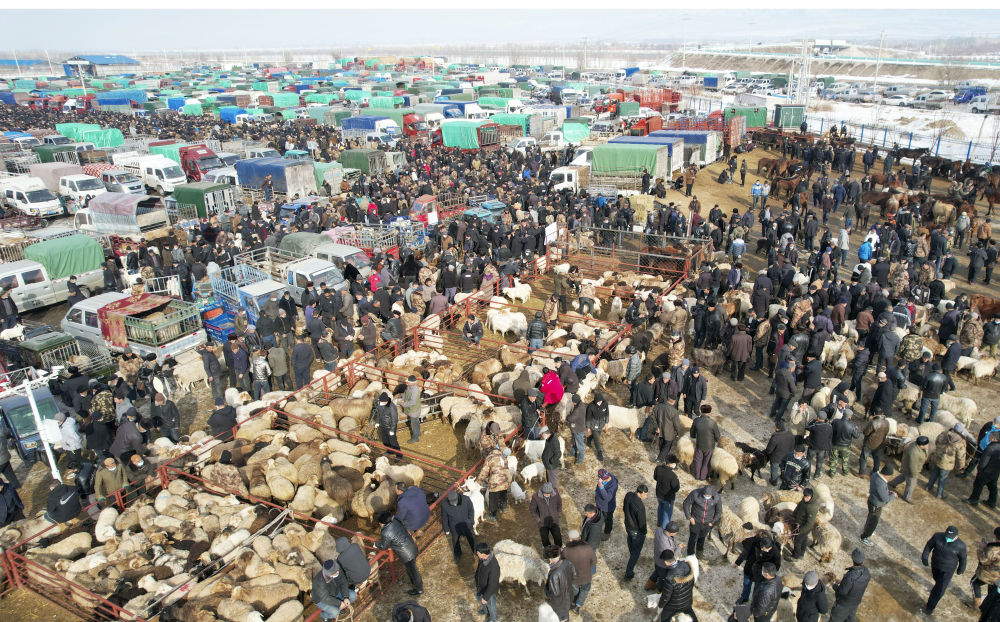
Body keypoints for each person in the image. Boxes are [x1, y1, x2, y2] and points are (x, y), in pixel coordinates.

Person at [921, 525, 967, 615]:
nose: (947, 539)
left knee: (939, 589)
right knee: (937, 581)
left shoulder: (961, 546)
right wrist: (925, 557)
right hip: (935, 565)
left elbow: (963, 559)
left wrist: (961, 569)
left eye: (950, 538)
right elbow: (928, 546)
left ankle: (930, 606)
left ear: (957, 537)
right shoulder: (937, 536)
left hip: (947, 571)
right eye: (946, 536)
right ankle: (936, 588)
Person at [375, 511, 422, 595]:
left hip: (406, 554)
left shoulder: (385, 532)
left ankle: (419, 589)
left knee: (413, 571)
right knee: (412, 569)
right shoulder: (395, 520)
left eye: (380, 522)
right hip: (411, 546)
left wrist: (376, 543)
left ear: (382, 523)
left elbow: (383, 546)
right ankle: (415, 584)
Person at [927, 423, 969, 499]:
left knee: (934, 473)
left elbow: (936, 441)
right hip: (947, 463)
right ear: (962, 431)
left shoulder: (944, 433)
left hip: (938, 458)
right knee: (943, 478)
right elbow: (961, 457)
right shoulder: (960, 442)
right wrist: (960, 467)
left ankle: (928, 487)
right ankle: (939, 494)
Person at [736, 534, 781, 604]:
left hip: (761, 574)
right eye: (762, 547)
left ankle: (754, 601)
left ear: (770, 547)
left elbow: (776, 566)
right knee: (746, 584)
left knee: (757, 589)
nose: (762, 549)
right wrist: (738, 562)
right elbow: (746, 552)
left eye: (765, 549)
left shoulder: (775, 553)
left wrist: (768, 572)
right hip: (749, 568)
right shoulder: (755, 542)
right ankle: (744, 597)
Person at [829, 548, 870, 622]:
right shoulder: (866, 572)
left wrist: (834, 585)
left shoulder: (849, 576)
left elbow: (842, 592)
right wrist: (843, 581)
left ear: (853, 559)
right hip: (855, 603)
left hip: (843, 605)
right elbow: (857, 582)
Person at [656, 549, 698, 622]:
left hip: (672, 606)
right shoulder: (687, 565)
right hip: (687, 602)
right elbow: (692, 582)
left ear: (666, 562)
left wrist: (660, 605)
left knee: (664, 619)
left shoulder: (669, 577)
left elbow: (666, 597)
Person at [562, 528, 597, 614]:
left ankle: (572, 602)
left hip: (574, 577)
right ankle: (578, 606)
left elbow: (562, 562)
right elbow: (594, 561)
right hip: (586, 576)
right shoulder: (588, 548)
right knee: (585, 590)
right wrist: (588, 568)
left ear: (570, 539)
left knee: (574, 590)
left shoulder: (566, 550)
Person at [860, 464, 897, 546]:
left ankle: (866, 529)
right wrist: (893, 495)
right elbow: (885, 499)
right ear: (887, 475)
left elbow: (880, 491)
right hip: (876, 505)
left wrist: (887, 492)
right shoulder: (881, 483)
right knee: (873, 521)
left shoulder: (874, 475)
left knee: (870, 517)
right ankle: (865, 537)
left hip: (871, 501)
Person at [683, 484, 721, 558]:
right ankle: (690, 555)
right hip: (695, 521)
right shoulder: (695, 494)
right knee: (693, 539)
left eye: (709, 496)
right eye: (705, 495)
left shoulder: (717, 497)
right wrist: (690, 517)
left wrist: (712, 522)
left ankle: (699, 553)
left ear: (712, 494)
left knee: (702, 538)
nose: (707, 497)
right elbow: (686, 504)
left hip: (707, 522)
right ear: (702, 492)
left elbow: (719, 511)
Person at [888, 435, 929, 502]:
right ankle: (907, 497)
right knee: (911, 484)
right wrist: (914, 475)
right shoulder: (914, 452)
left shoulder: (915, 445)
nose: (927, 445)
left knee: (903, 476)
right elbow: (912, 465)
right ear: (922, 445)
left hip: (907, 467)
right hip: (911, 470)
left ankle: (892, 483)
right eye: (926, 444)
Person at [476, 447, 511, 523]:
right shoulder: (503, 457)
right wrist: (509, 480)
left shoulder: (489, 458)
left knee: (493, 498)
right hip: (504, 480)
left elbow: (484, 471)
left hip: (495, 482)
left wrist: (478, 481)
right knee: (503, 493)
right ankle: (503, 507)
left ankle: (492, 515)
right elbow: (506, 469)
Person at [441, 489, 476, 564]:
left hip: (466, 524)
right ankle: (457, 554)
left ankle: (475, 550)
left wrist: (471, 521)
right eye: (451, 502)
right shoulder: (444, 504)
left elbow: (471, 511)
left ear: (457, 497)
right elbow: (444, 517)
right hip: (454, 527)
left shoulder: (466, 499)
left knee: (471, 538)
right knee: (455, 541)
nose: (453, 503)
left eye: (454, 501)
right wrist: (446, 529)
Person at [544, 544, 577, 622]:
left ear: (550, 559)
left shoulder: (554, 575)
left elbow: (555, 595)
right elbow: (574, 576)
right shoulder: (568, 562)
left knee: (563, 619)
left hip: (560, 605)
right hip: (569, 596)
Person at [623, 484, 649, 580]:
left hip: (628, 526)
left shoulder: (629, 495)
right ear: (640, 493)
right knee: (636, 552)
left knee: (630, 540)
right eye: (645, 494)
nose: (646, 496)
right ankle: (629, 572)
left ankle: (631, 554)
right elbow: (642, 523)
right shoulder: (639, 507)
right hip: (636, 530)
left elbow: (624, 507)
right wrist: (644, 532)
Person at [969, 430, 1000, 508]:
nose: (989, 437)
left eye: (990, 436)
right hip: (995, 472)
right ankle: (991, 503)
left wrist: (979, 469)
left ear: (994, 439)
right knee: (993, 487)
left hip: (986, 471)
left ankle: (973, 500)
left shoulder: (990, 448)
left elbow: (984, 461)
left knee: (978, 485)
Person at [647, 521, 680, 590]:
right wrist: (679, 547)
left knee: (657, 571)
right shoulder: (668, 546)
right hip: (663, 564)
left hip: (657, 558)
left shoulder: (659, 530)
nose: (676, 534)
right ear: (671, 533)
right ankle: (659, 590)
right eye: (676, 533)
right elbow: (672, 557)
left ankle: (649, 584)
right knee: (663, 578)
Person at [789, 487, 821, 560]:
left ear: (811, 497)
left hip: (805, 527)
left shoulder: (812, 507)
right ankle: (801, 553)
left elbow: (810, 523)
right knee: (804, 539)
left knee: (798, 541)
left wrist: (801, 530)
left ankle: (796, 556)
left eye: (807, 497)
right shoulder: (805, 501)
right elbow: (798, 507)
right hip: (800, 523)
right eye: (804, 496)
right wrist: (794, 514)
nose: (805, 498)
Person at [690, 404, 720, 480]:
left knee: (698, 460)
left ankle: (697, 476)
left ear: (701, 411)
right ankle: (703, 477)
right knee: (706, 462)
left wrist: (693, 436)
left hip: (699, 444)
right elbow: (717, 436)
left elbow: (692, 432)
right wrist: (716, 440)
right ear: (710, 412)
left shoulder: (696, 420)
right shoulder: (712, 423)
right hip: (709, 446)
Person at [529, 482, 563, 549]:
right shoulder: (536, 497)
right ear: (542, 491)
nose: (547, 495)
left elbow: (559, 503)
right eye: (546, 493)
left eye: (549, 493)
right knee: (545, 539)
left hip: (554, 520)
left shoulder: (555, 493)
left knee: (557, 536)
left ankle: (559, 549)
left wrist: (558, 513)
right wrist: (538, 520)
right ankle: (548, 551)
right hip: (542, 523)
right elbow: (532, 509)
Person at [973, 527, 1000, 608]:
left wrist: (981, 548)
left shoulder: (993, 550)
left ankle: (977, 604)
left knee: (974, 583)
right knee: (991, 592)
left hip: (988, 574)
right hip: (998, 577)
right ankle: (987, 607)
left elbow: (983, 560)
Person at [474, 542, 500, 622]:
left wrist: (486, 597)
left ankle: (493, 618)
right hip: (481, 587)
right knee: (480, 599)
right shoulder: (482, 559)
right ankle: (485, 611)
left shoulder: (494, 566)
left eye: (478, 553)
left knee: (491, 605)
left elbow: (493, 584)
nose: (476, 554)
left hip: (489, 591)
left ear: (483, 554)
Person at [653, 455, 680, 529]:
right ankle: (664, 529)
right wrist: (677, 480)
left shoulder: (658, 468)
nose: (675, 465)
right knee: (667, 514)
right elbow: (676, 488)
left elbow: (655, 477)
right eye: (674, 463)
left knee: (660, 507)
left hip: (659, 494)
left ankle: (659, 522)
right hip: (668, 498)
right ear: (671, 464)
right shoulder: (673, 475)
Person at [375, 392, 402, 460]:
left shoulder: (392, 407)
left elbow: (394, 419)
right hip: (383, 425)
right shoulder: (380, 404)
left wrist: (392, 430)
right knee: (385, 440)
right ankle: (389, 451)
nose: (381, 403)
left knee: (393, 442)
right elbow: (379, 414)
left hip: (390, 427)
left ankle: (399, 455)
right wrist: (377, 422)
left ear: (386, 401)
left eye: (383, 402)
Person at [595, 468, 618, 539]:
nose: (603, 480)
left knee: (608, 520)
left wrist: (601, 487)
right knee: (600, 516)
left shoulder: (613, 485)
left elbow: (607, 498)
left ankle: (607, 533)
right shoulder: (603, 477)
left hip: (607, 507)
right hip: (600, 504)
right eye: (602, 479)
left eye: (605, 479)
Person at [586, 394, 609, 462]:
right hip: (593, 424)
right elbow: (588, 417)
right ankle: (599, 453)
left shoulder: (605, 404)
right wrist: (588, 427)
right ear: (595, 401)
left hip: (601, 423)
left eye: (601, 401)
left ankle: (589, 439)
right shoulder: (591, 406)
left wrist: (606, 422)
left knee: (597, 436)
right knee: (597, 439)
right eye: (598, 402)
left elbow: (607, 413)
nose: (600, 403)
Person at [401, 376, 422, 444]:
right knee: (416, 421)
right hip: (411, 408)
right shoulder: (409, 387)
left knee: (414, 424)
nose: (407, 383)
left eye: (408, 382)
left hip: (414, 410)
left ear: (412, 383)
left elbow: (413, 402)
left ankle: (415, 438)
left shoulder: (415, 390)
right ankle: (418, 433)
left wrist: (404, 404)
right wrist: (403, 399)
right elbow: (405, 392)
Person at [566, 395, 586, 464]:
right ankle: (573, 453)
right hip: (577, 428)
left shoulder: (578, 410)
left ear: (575, 402)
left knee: (580, 445)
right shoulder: (581, 404)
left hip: (578, 430)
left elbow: (570, 419)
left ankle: (580, 458)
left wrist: (567, 416)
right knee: (574, 442)